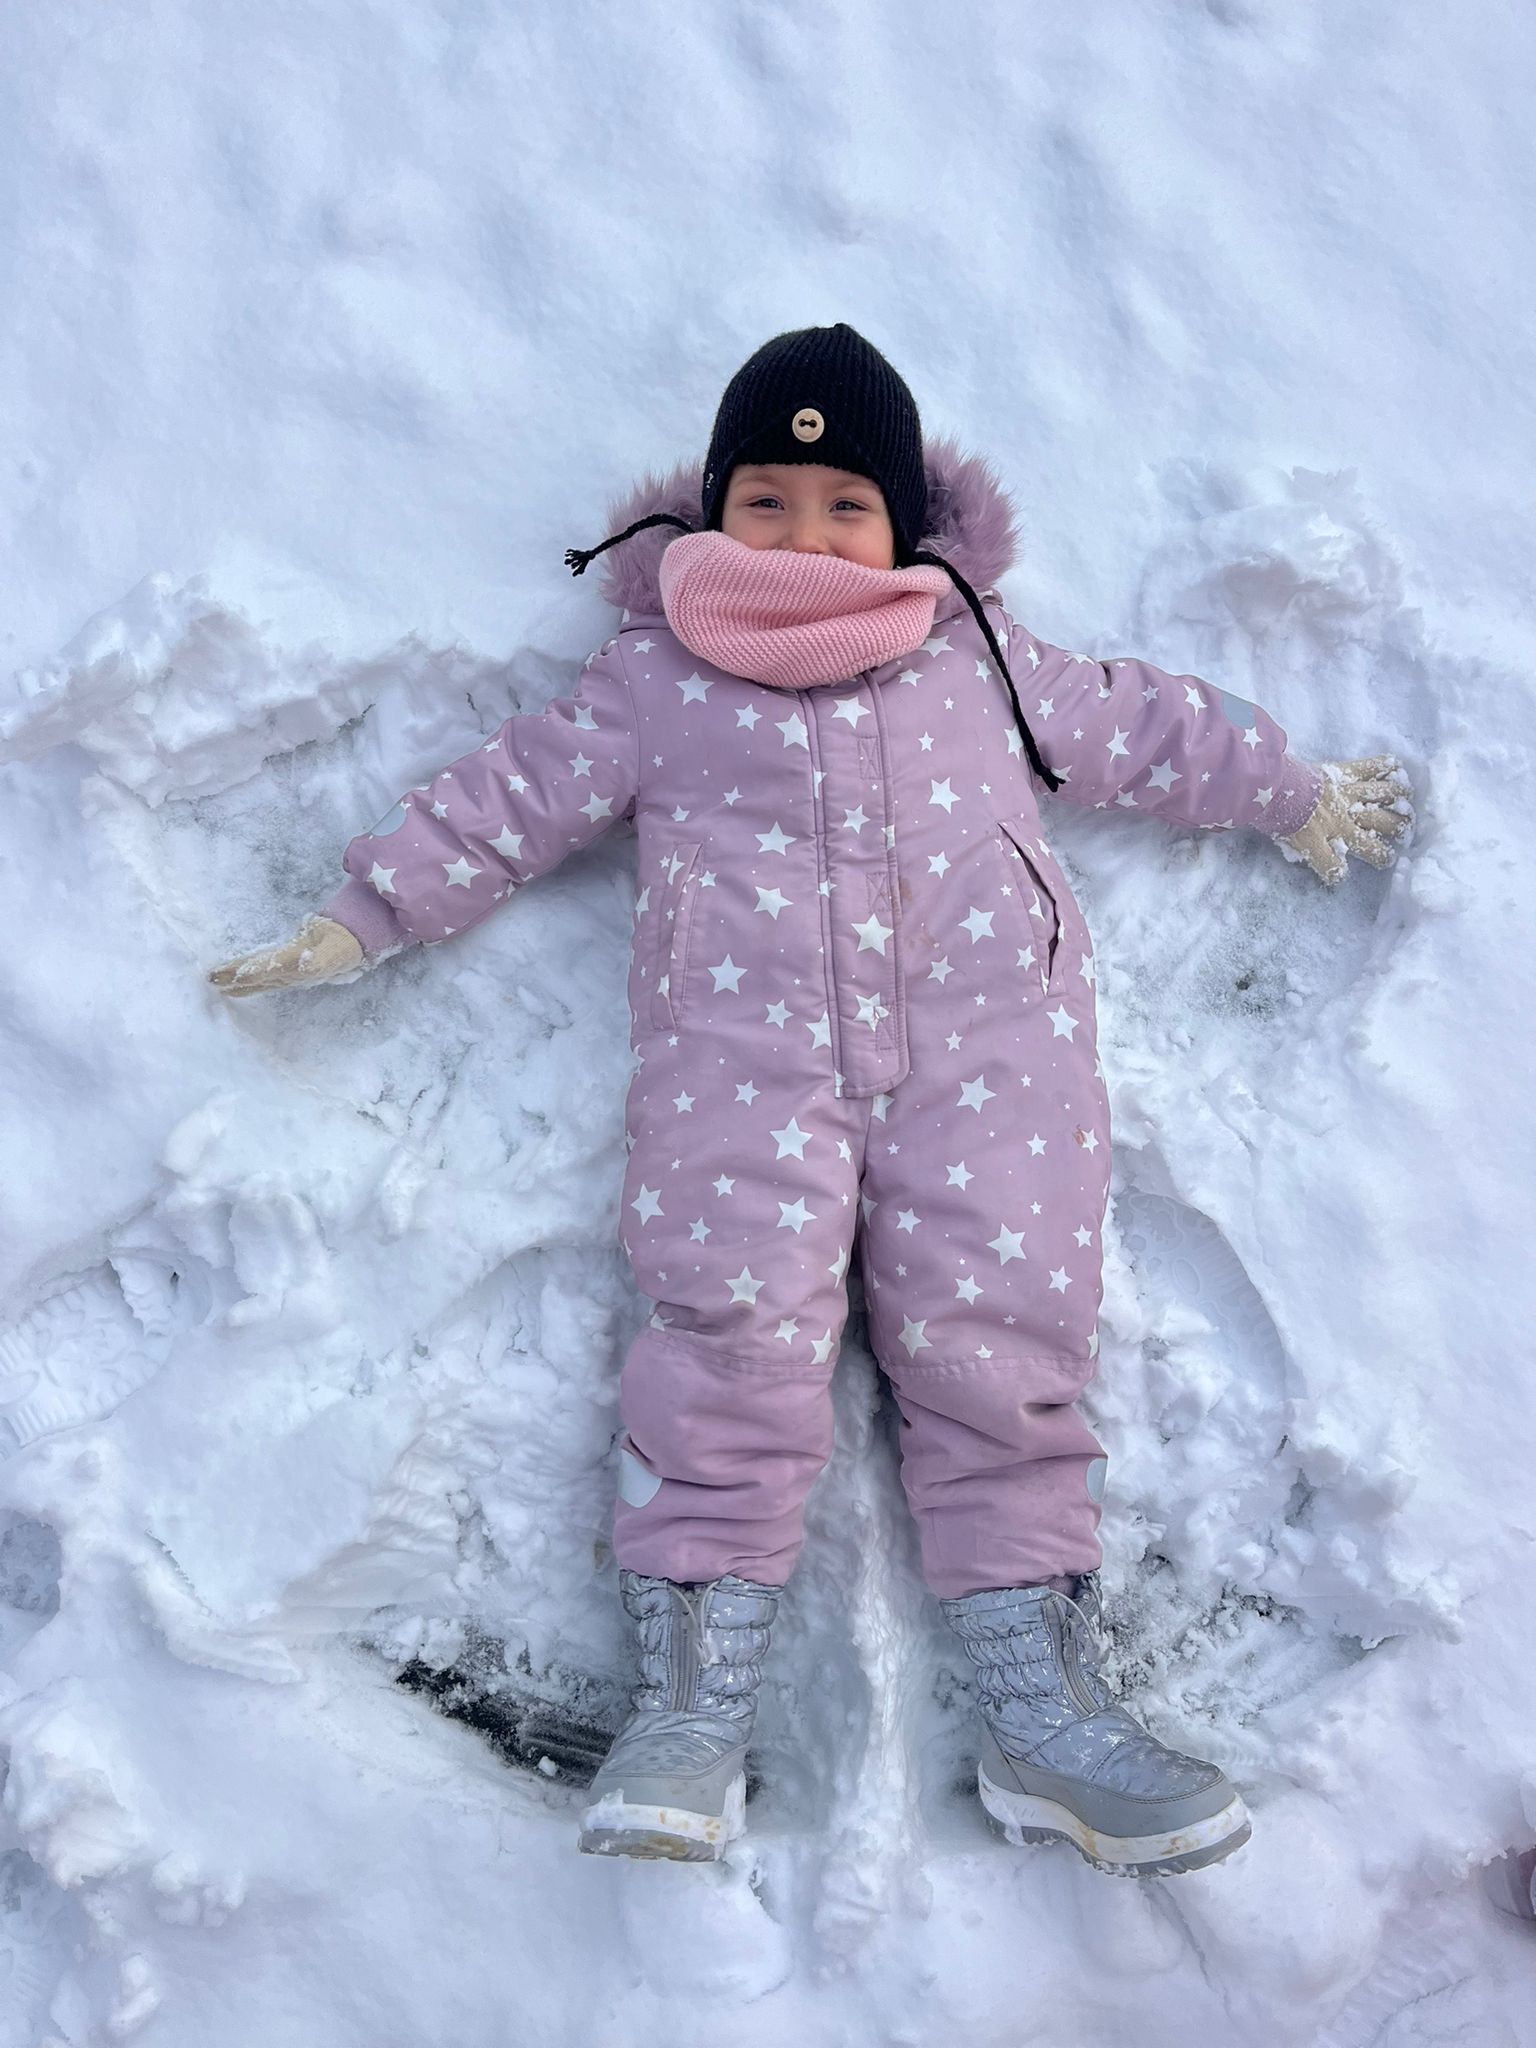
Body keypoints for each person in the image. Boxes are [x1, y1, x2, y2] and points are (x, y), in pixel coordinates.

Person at [211, 323, 1413, 1875]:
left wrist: (1287, 787)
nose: (804, 534)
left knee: (1004, 1358)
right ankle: (689, 1715)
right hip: (743, 1076)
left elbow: (1134, 724)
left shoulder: (977, 651)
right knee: (727, 1346)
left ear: (904, 524)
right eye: (766, 501)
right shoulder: (656, 676)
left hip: (992, 1069)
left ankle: (1043, 1718)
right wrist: (366, 911)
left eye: (845, 506)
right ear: (712, 512)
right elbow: (513, 793)